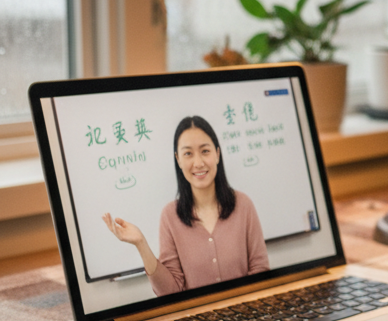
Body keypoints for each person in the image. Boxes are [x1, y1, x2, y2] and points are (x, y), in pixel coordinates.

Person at [103, 115, 269, 295]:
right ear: (178, 159)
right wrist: (141, 244)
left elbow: (260, 271)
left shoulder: (243, 205)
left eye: (205, 151)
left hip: (246, 314)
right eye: (188, 153)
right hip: (197, 320)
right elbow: (170, 291)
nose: (198, 163)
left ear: (217, 154)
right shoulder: (169, 216)